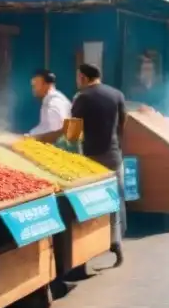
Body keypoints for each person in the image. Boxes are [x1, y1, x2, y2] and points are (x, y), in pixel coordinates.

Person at [70, 63, 128, 267]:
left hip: (91, 158)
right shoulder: (117, 94)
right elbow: (123, 125)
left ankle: (88, 248)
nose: (78, 81)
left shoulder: (82, 97)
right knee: (114, 202)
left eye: (78, 78)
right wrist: (118, 146)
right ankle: (116, 242)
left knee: (90, 202)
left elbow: (73, 132)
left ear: (84, 78)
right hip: (113, 156)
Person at [28, 69, 72, 137]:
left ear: (46, 85)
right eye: (33, 86)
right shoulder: (48, 101)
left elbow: (56, 133)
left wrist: (31, 138)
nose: (33, 89)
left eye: (35, 85)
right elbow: (45, 127)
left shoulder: (54, 102)